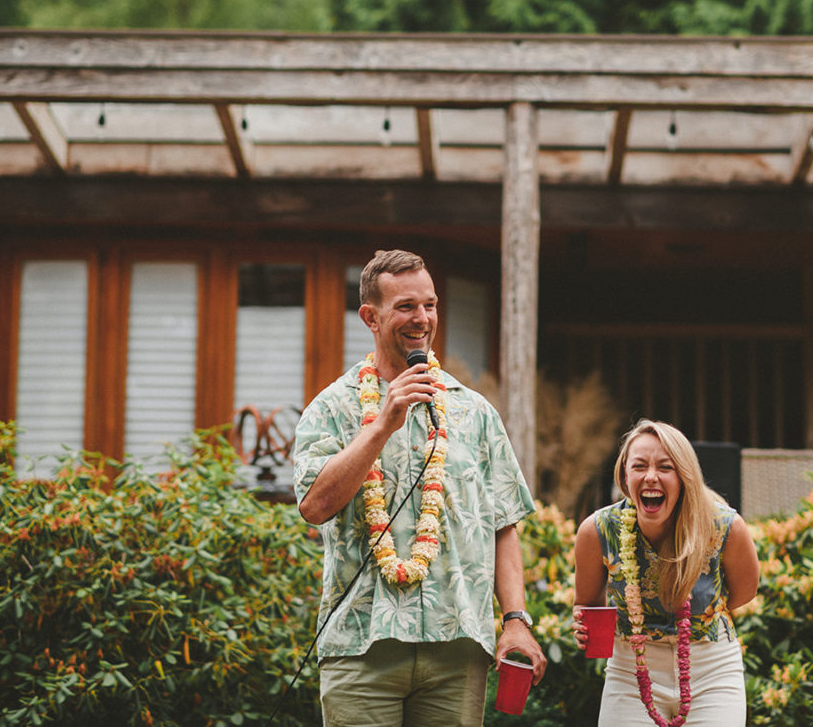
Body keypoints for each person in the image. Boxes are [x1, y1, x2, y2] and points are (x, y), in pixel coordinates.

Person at [292, 249, 547, 727]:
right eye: (406, 306)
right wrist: (381, 426)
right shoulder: (330, 409)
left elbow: (503, 524)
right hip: (361, 645)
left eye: (430, 305)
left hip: (456, 649)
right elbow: (314, 505)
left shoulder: (474, 411)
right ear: (371, 316)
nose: (422, 318)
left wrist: (515, 619)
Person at [573, 419, 759, 727]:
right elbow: (588, 602)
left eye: (665, 467)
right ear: (624, 475)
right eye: (639, 466)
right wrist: (584, 625)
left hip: (711, 668)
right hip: (630, 670)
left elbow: (744, 592)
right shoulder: (597, 531)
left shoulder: (725, 527)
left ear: (685, 476)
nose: (650, 477)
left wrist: (704, 612)